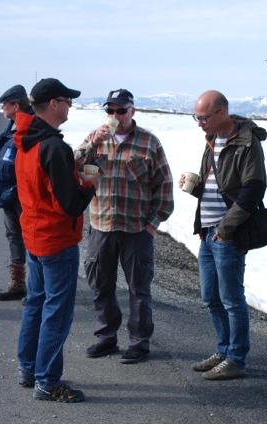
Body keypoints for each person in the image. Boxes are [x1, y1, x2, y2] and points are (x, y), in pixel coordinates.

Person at [14, 78, 98, 403]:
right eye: (67, 100)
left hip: (34, 235)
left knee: (36, 304)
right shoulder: (53, 147)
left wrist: (69, 171)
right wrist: (88, 181)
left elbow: (43, 187)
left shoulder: (26, 140)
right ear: (53, 104)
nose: (70, 105)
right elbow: (71, 204)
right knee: (56, 312)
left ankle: (29, 369)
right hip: (56, 239)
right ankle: (47, 381)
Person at [75, 89, 174, 364]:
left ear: (132, 111)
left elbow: (163, 187)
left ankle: (139, 342)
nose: (115, 116)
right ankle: (106, 337)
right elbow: (73, 165)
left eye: (121, 110)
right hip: (101, 225)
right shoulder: (95, 139)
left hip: (136, 229)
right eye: (110, 111)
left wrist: (153, 224)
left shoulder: (149, 142)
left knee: (139, 288)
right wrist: (91, 144)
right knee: (100, 284)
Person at [183, 90, 267, 380]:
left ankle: (236, 359)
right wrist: (195, 188)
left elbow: (253, 190)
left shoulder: (247, 142)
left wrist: (225, 229)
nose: (199, 123)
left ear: (222, 112)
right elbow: (220, 187)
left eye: (204, 117)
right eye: (197, 117)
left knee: (231, 298)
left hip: (226, 235)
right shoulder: (211, 139)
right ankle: (224, 349)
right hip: (208, 231)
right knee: (210, 296)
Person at [0, 84, 32, 301]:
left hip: (23, 194)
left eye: (5, 104)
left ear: (16, 105)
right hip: (9, 195)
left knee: (31, 238)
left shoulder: (31, 126)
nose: (2, 108)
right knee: (14, 236)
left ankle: (35, 287)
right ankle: (18, 284)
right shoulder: (12, 125)